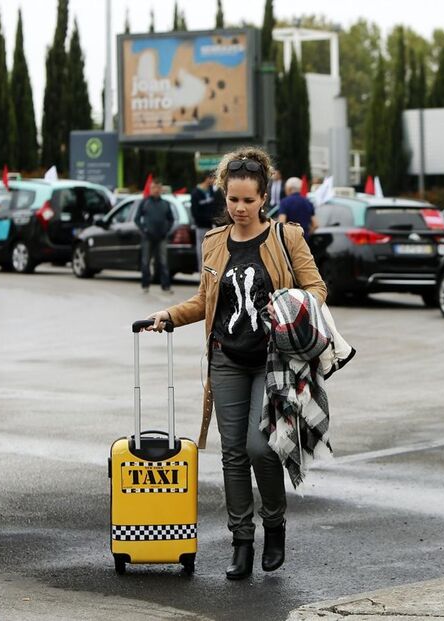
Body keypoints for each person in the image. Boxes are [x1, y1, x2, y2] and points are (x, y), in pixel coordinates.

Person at [145, 147, 326, 581]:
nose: (239, 208)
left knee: (259, 446)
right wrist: (168, 316)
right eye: (232, 200)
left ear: (264, 197)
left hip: (273, 359)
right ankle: (241, 540)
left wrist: (289, 306)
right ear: (224, 197)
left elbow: (316, 289)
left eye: (248, 200)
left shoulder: (287, 238)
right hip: (225, 359)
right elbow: (205, 302)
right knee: (231, 454)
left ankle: (274, 524)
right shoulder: (213, 243)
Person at [134, 180, 175, 293]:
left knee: (163, 261)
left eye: (158, 188)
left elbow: (171, 219)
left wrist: (166, 230)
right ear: (150, 189)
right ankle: (145, 285)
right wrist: (144, 229)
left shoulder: (165, 204)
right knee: (145, 261)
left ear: (161, 190)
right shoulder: (145, 202)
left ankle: (166, 286)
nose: (156, 190)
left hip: (161, 237)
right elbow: (137, 219)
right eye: (154, 188)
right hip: (147, 237)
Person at [190, 171, 223, 270]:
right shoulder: (196, 193)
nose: (214, 181)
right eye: (213, 178)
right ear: (207, 178)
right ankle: (202, 273)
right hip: (201, 226)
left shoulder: (211, 191)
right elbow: (195, 212)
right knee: (202, 251)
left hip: (211, 226)